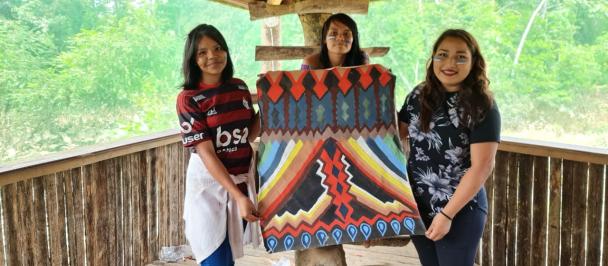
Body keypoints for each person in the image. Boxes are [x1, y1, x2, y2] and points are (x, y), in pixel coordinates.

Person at [397, 29, 501, 266]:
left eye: (460, 56)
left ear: (473, 62)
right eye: (442, 55)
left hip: (460, 210)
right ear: (432, 58)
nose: (449, 63)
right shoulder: (418, 95)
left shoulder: (482, 105)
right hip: (419, 206)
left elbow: (482, 167)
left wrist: (446, 215)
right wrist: (374, 92)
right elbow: (396, 132)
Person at [176, 24, 260, 266]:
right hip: (208, 188)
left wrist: (268, 104)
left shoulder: (239, 87)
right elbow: (207, 154)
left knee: (227, 259)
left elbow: (248, 135)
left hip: (240, 182)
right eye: (202, 52)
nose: (212, 56)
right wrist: (238, 197)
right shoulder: (189, 99)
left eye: (217, 48)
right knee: (214, 259)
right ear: (192, 59)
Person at [301, 13, 369, 70]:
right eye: (334, 33)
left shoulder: (361, 59)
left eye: (346, 34)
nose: (341, 38)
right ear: (324, 38)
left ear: (354, 39)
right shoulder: (309, 64)